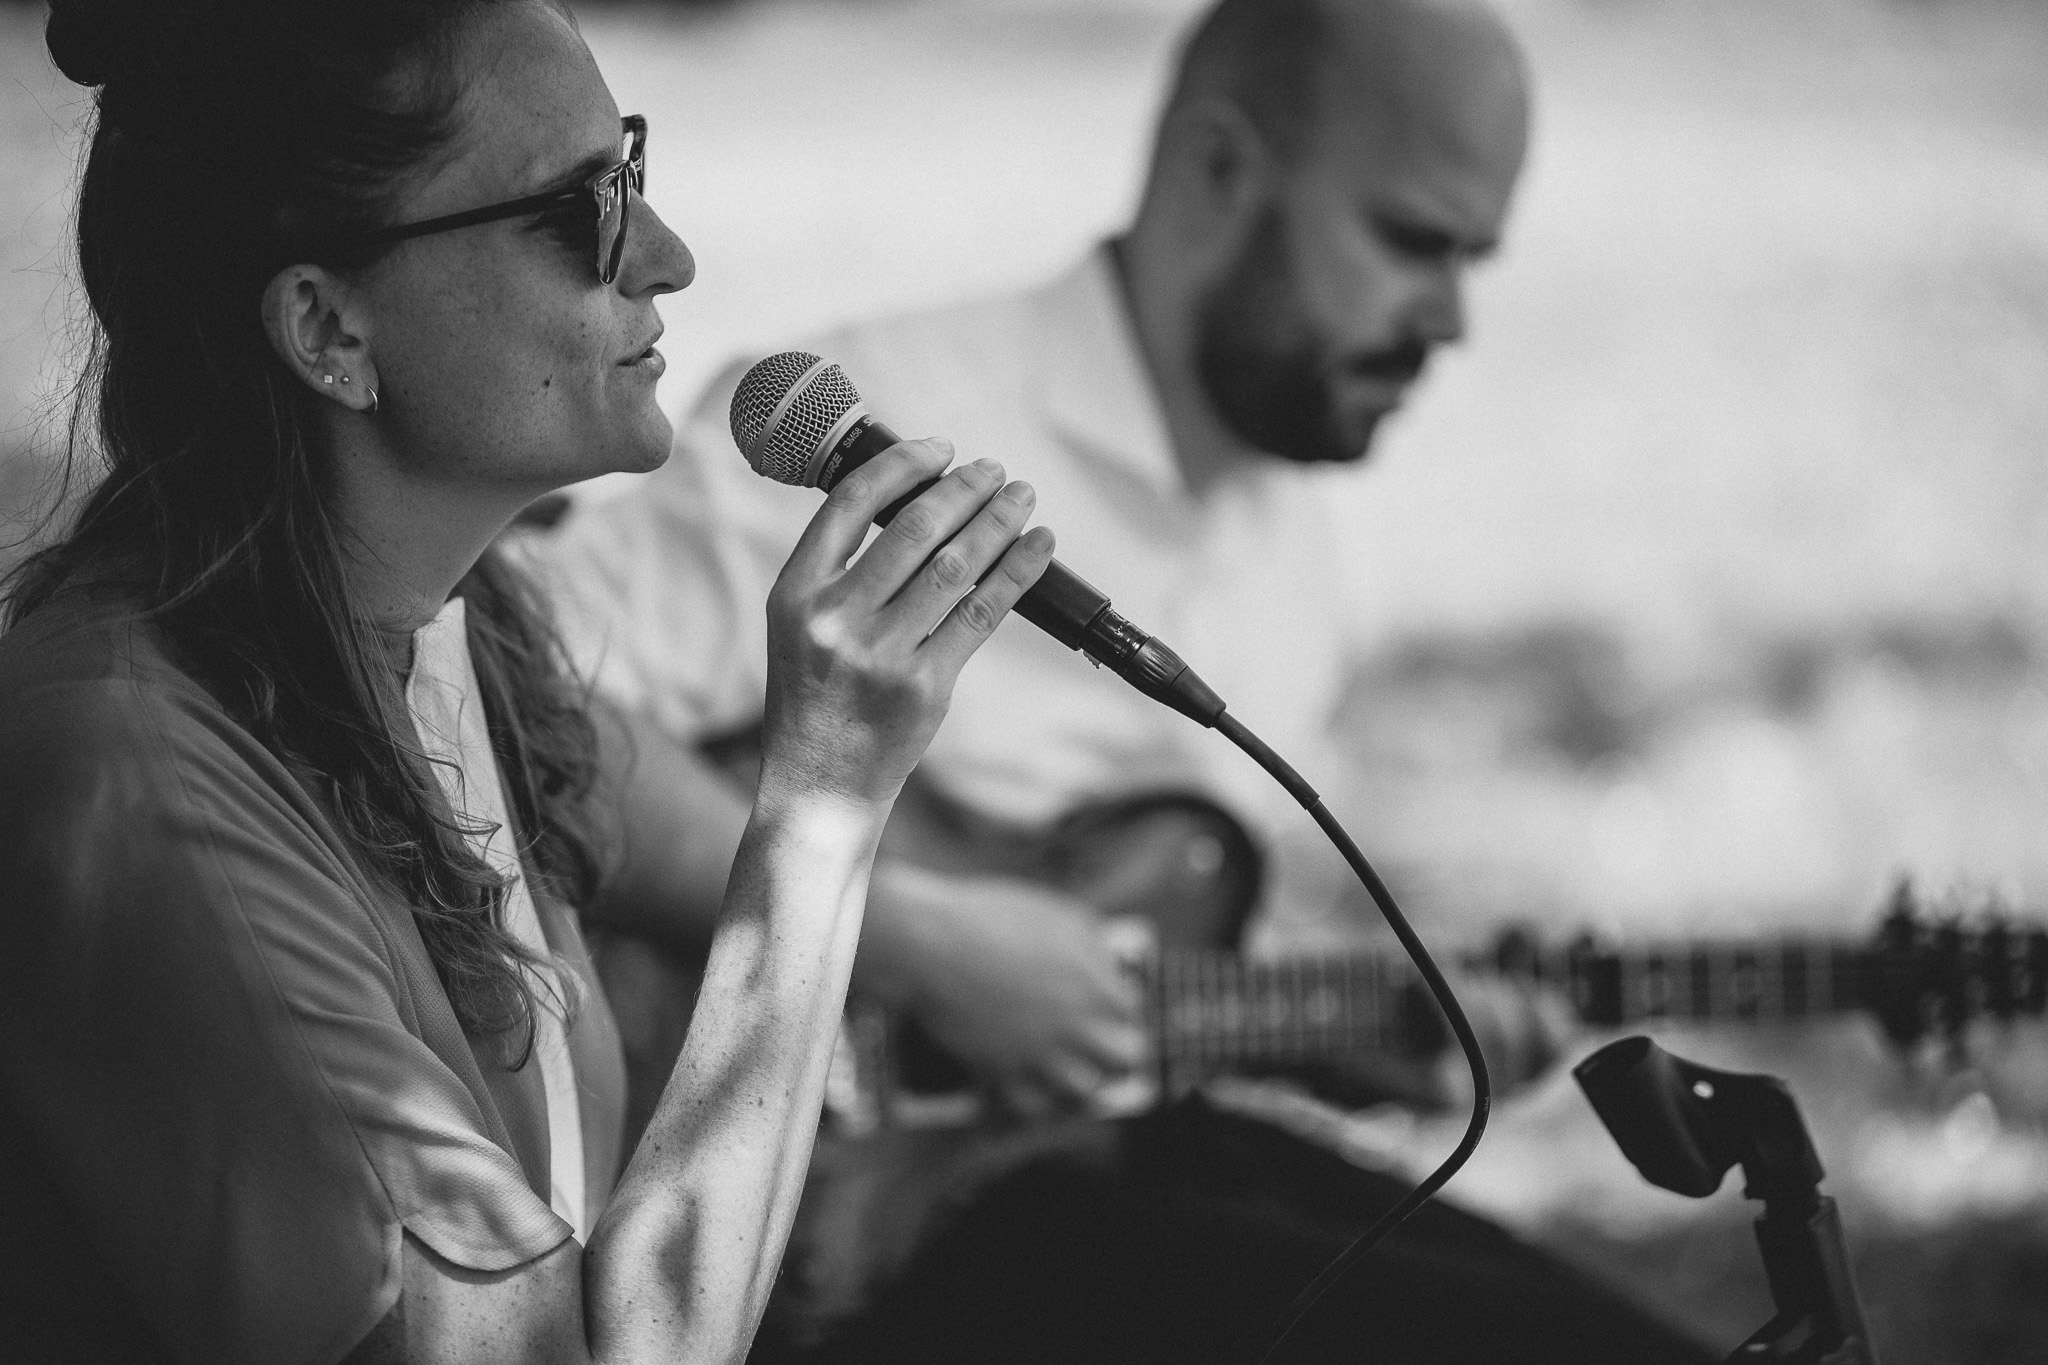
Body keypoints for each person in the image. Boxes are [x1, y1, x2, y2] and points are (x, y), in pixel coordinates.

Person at [534, 0, 1720, 1361]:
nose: (1451, 319)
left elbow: (1117, 982)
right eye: (1412, 241)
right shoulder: (906, 412)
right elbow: (526, 713)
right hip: (800, 1240)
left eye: (1474, 261)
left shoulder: (1301, 559)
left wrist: (1335, 1033)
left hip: (1074, 1170)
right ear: (1222, 170)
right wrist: (923, 936)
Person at [0, 2, 1055, 1362]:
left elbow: (616, 779)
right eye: (584, 211)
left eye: (633, 168)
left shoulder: (441, 623)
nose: (668, 259)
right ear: (329, 327)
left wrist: (929, 927)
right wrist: (822, 808)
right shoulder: (140, 793)